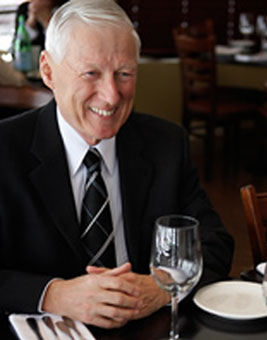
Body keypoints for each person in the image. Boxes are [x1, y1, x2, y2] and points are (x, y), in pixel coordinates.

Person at [0, 0, 234, 330]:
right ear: (48, 71)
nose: (111, 95)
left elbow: (215, 243)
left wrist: (162, 285)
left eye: (124, 74)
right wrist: (52, 294)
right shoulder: (5, 150)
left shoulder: (166, 145)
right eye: (91, 73)